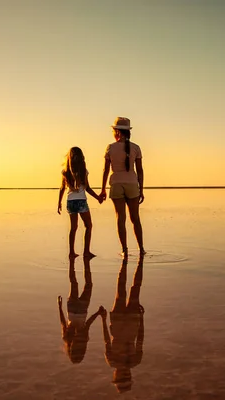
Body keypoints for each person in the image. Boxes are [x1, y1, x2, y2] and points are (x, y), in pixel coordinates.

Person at [100, 117, 145, 256]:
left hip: (116, 184)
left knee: (120, 218)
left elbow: (105, 170)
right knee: (135, 218)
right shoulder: (136, 148)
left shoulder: (110, 148)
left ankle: (124, 250)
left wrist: (102, 189)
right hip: (132, 184)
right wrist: (141, 189)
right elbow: (140, 170)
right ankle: (141, 249)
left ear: (117, 132)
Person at [101, 255, 145, 393]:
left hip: (119, 323)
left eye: (121, 377)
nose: (125, 374)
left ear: (115, 375)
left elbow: (107, 341)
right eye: (126, 376)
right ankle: (139, 262)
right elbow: (140, 339)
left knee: (121, 290)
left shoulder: (112, 361)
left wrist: (103, 319)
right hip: (131, 324)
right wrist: (142, 318)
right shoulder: (135, 360)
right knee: (135, 288)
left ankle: (125, 262)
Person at [58, 256, 106, 364]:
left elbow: (86, 323)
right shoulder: (72, 339)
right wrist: (97, 313)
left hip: (79, 309)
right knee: (78, 283)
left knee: (83, 284)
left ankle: (81, 261)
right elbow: (64, 323)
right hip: (75, 309)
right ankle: (78, 261)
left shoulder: (76, 339)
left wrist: (60, 307)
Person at [58, 147, 102, 258]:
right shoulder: (83, 171)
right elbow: (87, 188)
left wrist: (59, 203)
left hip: (70, 202)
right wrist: (98, 198)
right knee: (88, 226)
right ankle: (86, 252)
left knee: (73, 228)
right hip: (81, 201)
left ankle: (71, 252)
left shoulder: (65, 172)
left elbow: (62, 188)